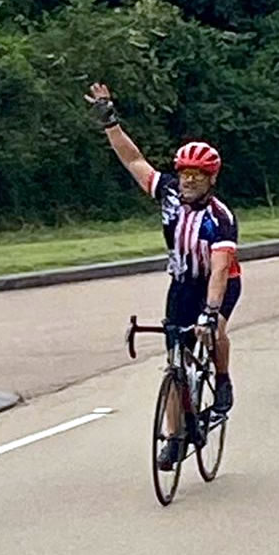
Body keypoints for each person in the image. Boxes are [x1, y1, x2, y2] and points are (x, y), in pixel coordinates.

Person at [85, 83, 240, 470]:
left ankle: (222, 381)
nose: (188, 181)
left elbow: (220, 270)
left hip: (218, 283)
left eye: (198, 176)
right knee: (175, 361)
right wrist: (110, 123)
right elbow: (134, 160)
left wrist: (209, 311)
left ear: (211, 179)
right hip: (183, 283)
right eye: (185, 173)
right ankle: (175, 436)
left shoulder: (220, 218)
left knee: (213, 329)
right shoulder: (169, 193)